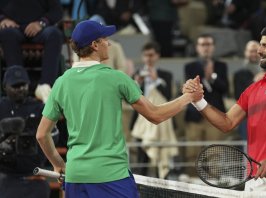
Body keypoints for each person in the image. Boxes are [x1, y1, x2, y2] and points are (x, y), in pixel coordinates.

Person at [35, 20, 202, 197]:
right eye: (105, 39)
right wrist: (189, 97)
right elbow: (156, 115)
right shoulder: (117, 78)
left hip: (76, 177)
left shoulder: (61, 82)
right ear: (95, 45)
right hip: (111, 176)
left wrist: (58, 164)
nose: (109, 43)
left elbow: (41, 135)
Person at [184, 24, 266, 191]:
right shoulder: (253, 88)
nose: (259, 50)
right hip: (253, 180)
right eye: (260, 45)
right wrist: (198, 101)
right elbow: (227, 122)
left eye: (265, 45)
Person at [0, 65, 59, 198]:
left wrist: (30, 133)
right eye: (15, 86)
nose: (20, 89)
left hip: (33, 173)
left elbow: (54, 135)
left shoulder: (39, 108)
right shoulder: (1, 107)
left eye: (23, 85)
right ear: (5, 87)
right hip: (5, 173)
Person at [0, 0, 64, 103]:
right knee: (7, 34)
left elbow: (57, 11)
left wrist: (41, 23)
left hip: (40, 28)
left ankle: (45, 86)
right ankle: (17, 83)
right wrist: (2, 20)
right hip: (13, 28)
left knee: (55, 34)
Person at [183, 33, 229, 175]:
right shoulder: (189, 67)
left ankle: (215, 188)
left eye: (208, 44)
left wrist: (212, 77)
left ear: (213, 47)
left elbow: (225, 89)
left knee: (214, 153)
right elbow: (188, 91)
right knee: (192, 153)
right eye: (203, 44)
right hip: (194, 116)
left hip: (215, 115)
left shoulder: (221, 66)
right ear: (197, 48)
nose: (206, 48)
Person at [130, 41, 174, 177]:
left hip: (161, 122)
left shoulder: (166, 75)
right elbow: (129, 99)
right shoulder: (136, 75)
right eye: (146, 55)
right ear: (143, 57)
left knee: (161, 158)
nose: (148, 58)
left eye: (151, 55)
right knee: (142, 159)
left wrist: (156, 81)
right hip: (140, 122)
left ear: (157, 56)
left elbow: (169, 97)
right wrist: (137, 83)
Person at [233, 40, 261, 140]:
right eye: (251, 51)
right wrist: (255, 82)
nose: (253, 54)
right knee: (247, 147)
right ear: (246, 52)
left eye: (256, 51)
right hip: (247, 117)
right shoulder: (239, 74)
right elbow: (238, 97)